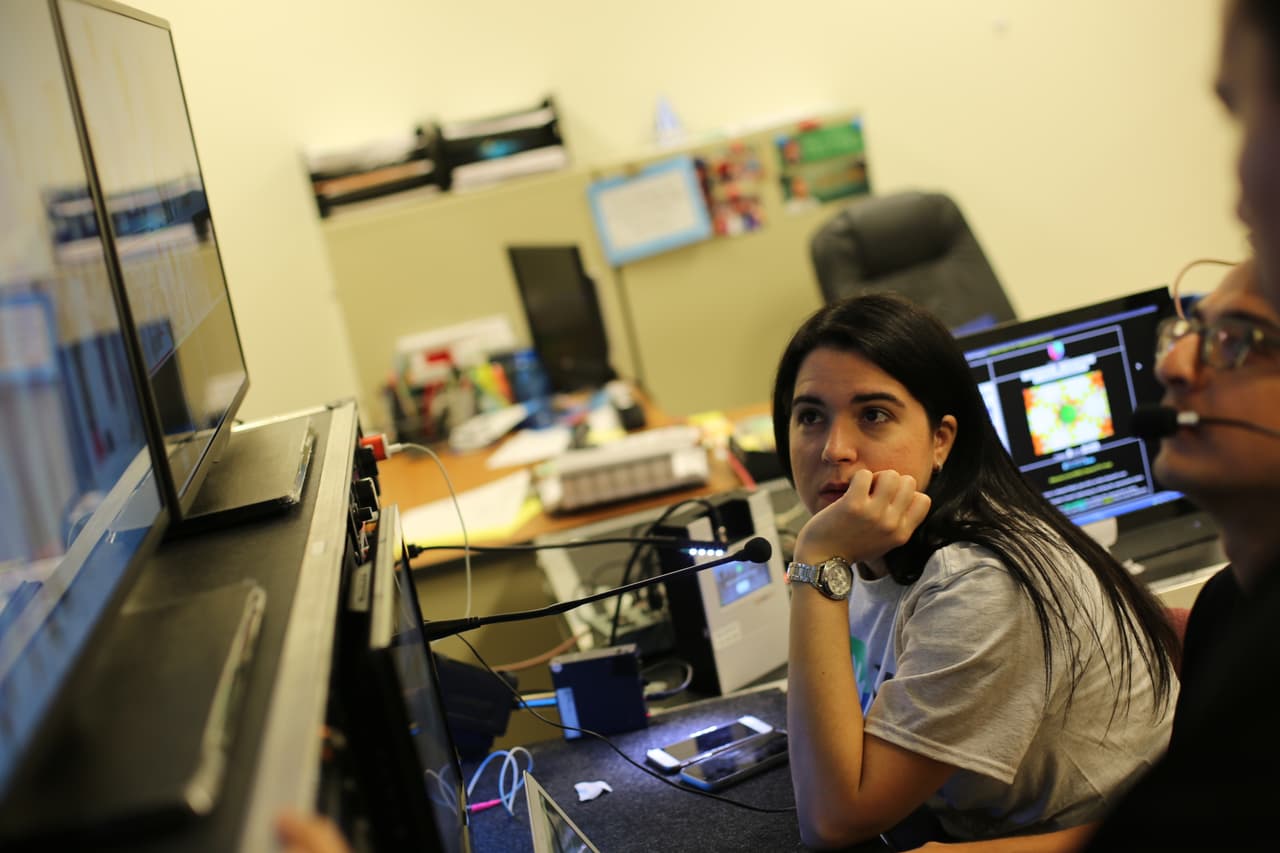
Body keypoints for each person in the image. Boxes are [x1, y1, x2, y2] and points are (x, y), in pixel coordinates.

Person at [774, 292, 1180, 850]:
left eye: (874, 415)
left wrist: (815, 562)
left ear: (941, 440)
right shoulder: (870, 545)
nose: (835, 448)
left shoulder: (982, 579)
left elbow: (833, 822)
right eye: (810, 416)